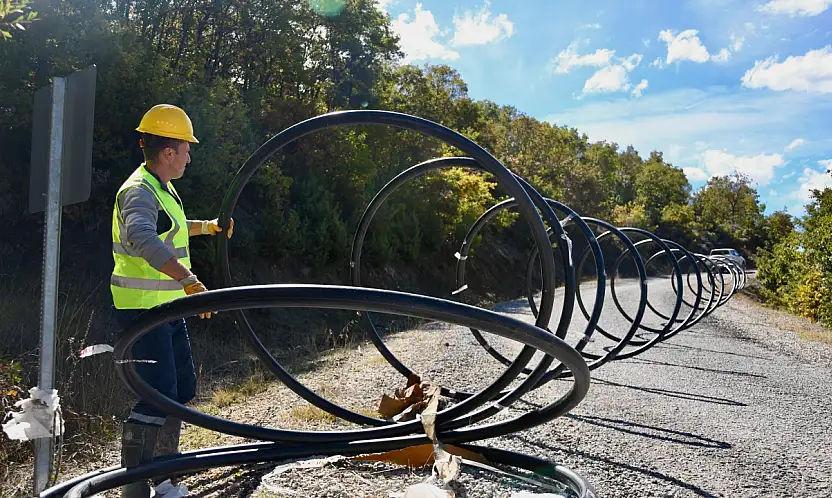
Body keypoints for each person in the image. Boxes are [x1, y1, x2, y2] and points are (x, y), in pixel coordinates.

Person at [110, 104, 234, 497]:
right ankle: (135, 488)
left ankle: (166, 479)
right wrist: (190, 279)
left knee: (179, 390)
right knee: (157, 392)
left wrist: (209, 227)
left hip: (166, 309)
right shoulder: (138, 191)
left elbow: (173, 230)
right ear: (169, 152)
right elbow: (143, 239)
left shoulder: (162, 188)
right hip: (143, 311)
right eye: (186, 148)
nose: (189, 155)